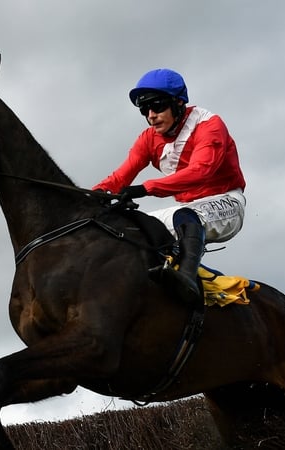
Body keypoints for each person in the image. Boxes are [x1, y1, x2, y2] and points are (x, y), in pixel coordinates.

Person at [93, 68, 246, 303]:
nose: (151, 115)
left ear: (178, 102)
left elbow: (200, 171)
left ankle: (186, 281)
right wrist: (92, 196)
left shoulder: (209, 126)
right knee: (131, 226)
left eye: (157, 106)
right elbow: (119, 178)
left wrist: (145, 188)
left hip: (227, 203)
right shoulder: (148, 138)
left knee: (186, 216)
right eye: (145, 109)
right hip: (186, 210)